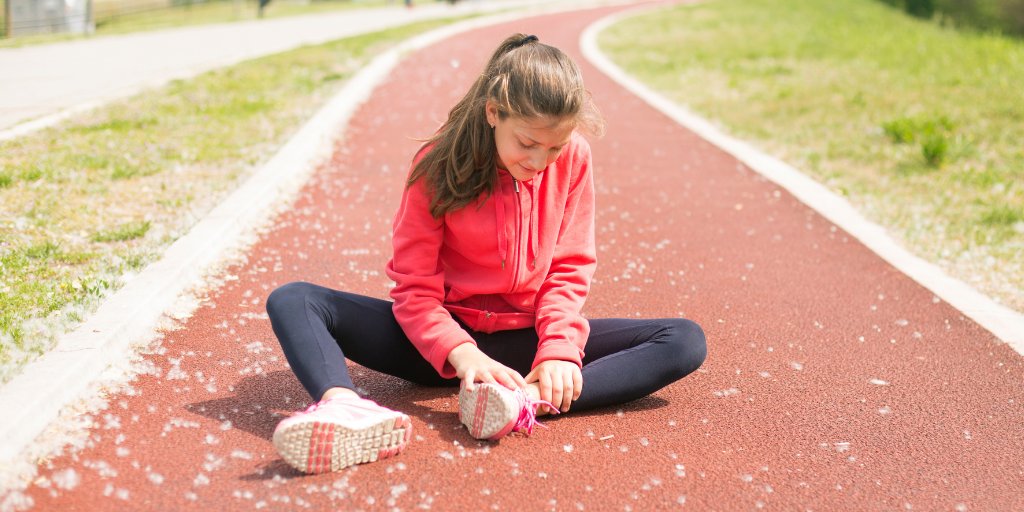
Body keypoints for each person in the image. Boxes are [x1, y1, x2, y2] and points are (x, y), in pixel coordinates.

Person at [265, 33, 707, 474]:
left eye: (554, 147)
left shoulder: (574, 158)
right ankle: (347, 409)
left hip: (523, 344)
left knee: (683, 339)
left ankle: (523, 402)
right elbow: (414, 289)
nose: (540, 160)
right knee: (294, 299)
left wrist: (557, 351)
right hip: (439, 349)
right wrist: (461, 352)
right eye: (528, 143)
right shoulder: (435, 165)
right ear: (493, 112)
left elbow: (568, 269)